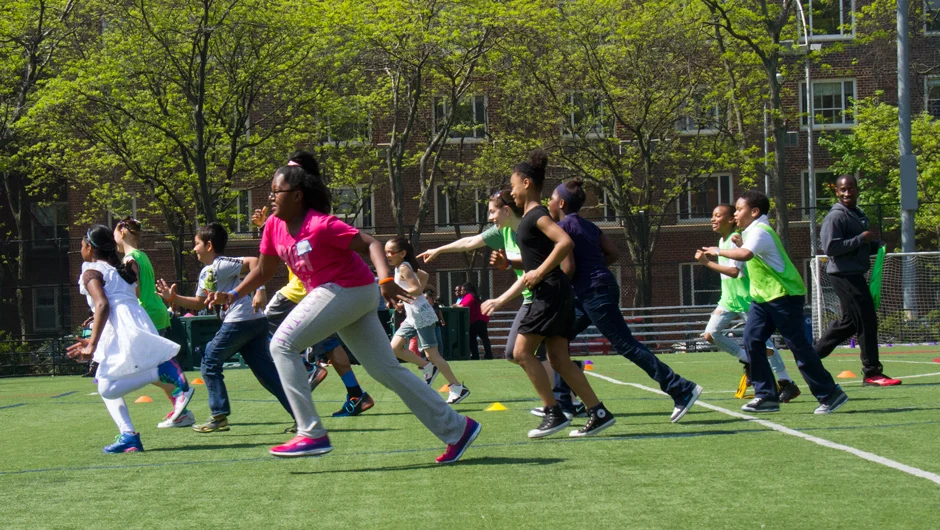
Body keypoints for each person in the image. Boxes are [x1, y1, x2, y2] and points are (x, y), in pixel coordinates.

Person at [208, 151, 480, 462]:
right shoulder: (273, 226)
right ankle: (459, 428)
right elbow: (264, 271)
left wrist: (385, 279)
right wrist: (234, 294)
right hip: (344, 295)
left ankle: (310, 432)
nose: (270, 198)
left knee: (282, 345)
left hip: (350, 289)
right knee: (386, 370)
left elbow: (372, 243)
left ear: (297, 195)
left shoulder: (320, 224)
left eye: (276, 191)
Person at [420, 189, 586, 418]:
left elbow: (531, 273)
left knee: (524, 353)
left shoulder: (530, 232)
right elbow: (470, 242)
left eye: (492, 212)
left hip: (546, 298)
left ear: (506, 210)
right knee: (528, 354)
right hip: (533, 299)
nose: (490, 217)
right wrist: (439, 249)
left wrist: (500, 300)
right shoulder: (503, 231)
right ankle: (567, 401)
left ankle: (560, 405)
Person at [483, 149, 613, 438]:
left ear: (526, 183)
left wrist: (539, 273)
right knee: (558, 359)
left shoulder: (536, 215)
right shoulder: (531, 217)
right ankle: (598, 412)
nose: (511, 192)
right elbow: (539, 256)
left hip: (549, 293)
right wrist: (513, 265)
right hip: (558, 293)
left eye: (513, 185)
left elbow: (565, 243)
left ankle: (552, 412)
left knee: (520, 352)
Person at [702, 190, 848, 414]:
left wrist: (718, 251)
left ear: (754, 212)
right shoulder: (750, 232)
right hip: (762, 298)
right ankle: (766, 397)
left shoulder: (760, 231)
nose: (735, 214)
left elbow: (746, 255)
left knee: (798, 347)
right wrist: (739, 242)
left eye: (739, 209)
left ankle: (830, 394)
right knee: (752, 340)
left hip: (784, 296)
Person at [157, 223, 295, 432]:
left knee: (209, 361)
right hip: (254, 322)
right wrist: (173, 298)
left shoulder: (221, 264)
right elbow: (199, 303)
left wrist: (260, 290)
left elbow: (255, 262)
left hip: (240, 321)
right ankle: (301, 416)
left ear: (209, 245)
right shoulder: (207, 272)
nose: (194, 249)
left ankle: (219, 415)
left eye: (197, 244)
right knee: (267, 374)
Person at [67, 225, 193, 453]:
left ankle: (160, 372)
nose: (80, 249)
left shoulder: (91, 271)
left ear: (90, 247)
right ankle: (128, 436)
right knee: (104, 379)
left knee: (107, 389)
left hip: (121, 325)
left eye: (82, 244)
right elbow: (117, 302)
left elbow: (103, 305)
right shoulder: (117, 270)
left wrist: (92, 344)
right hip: (132, 320)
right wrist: (95, 338)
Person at [252, 205, 376, 418]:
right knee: (329, 345)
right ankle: (356, 394)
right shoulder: (302, 222)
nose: (273, 198)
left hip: (299, 291)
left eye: (278, 192)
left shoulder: (309, 223)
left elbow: (268, 263)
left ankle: (308, 369)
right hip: (319, 292)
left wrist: (258, 289)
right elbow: (280, 243)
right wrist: (265, 226)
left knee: (262, 323)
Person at [694, 205, 801, 403]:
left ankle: (786, 382)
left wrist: (707, 263)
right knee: (710, 334)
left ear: (731, 220)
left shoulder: (736, 239)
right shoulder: (722, 241)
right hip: (728, 300)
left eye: (717, 216)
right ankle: (748, 360)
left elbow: (734, 272)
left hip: (745, 299)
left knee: (765, 345)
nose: (713, 219)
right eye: (712, 215)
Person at [814, 175, 901, 387]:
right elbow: (831, 248)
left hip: (854, 273)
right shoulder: (835, 217)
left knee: (851, 323)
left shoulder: (856, 214)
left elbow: (855, 246)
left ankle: (809, 357)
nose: (847, 193)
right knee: (867, 319)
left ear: (857, 189)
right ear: (836, 192)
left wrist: (874, 245)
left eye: (850, 188)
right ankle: (872, 373)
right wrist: (861, 238)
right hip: (844, 275)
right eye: (843, 189)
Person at [113, 217, 201, 427]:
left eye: (114, 233)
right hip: (155, 313)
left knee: (143, 367)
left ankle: (180, 393)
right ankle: (182, 411)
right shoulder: (141, 255)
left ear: (122, 232)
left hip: (146, 315)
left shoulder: (129, 260)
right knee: (153, 365)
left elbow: (133, 292)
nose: (113, 239)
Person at [386, 236, 470, 405]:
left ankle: (457, 387)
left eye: (391, 252)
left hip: (422, 315)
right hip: (413, 317)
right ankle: (427, 367)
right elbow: (424, 275)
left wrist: (398, 294)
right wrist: (404, 299)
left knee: (433, 355)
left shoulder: (404, 267)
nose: (387, 255)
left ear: (402, 253)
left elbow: (417, 289)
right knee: (394, 348)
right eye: (385, 252)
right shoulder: (401, 267)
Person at [457, 283, 493, 360]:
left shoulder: (469, 296)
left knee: (473, 339)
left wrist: (455, 305)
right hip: (479, 320)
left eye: (463, 290)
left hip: (477, 320)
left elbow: (463, 306)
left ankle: (476, 355)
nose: (461, 292)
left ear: (467, 290)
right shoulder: (472, 296)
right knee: (483, 339)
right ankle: (488, 354)